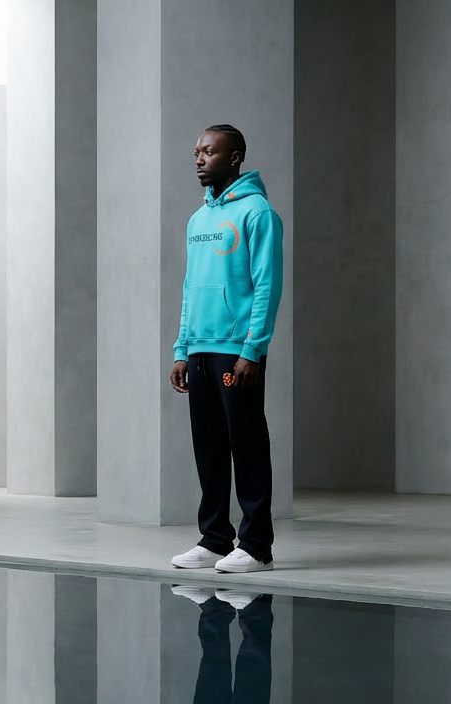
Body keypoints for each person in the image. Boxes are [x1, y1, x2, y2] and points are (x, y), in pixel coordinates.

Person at [169, 124, 285, 574]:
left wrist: (253, 348)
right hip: (199, 349)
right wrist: (182, 348)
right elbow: (189, 290)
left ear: (234, 157)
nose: (199, 159)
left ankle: (256, 545)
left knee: (247, 444)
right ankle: (215, 538)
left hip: (237, 350)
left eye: (209, 152)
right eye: (196, 151)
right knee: (209, 447)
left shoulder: (258, 213)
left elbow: (267, 286)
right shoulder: (198, 220)